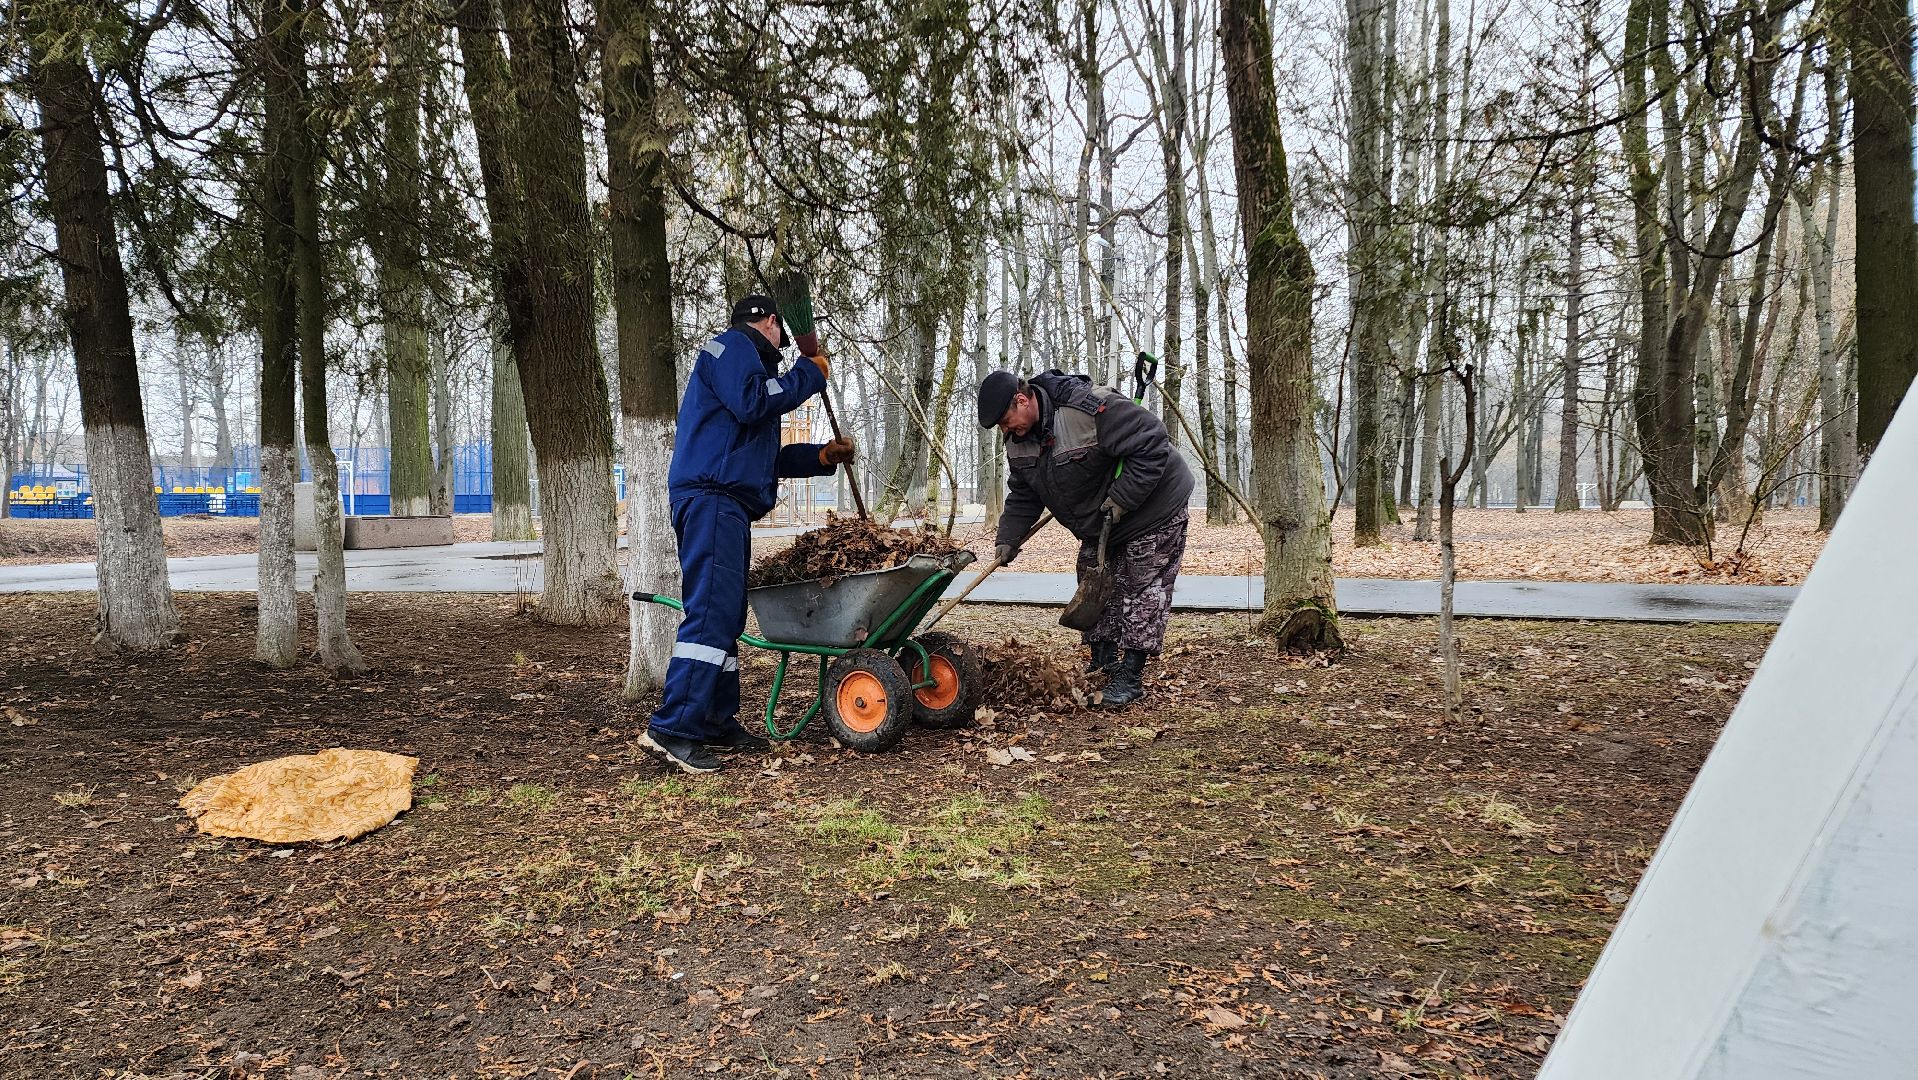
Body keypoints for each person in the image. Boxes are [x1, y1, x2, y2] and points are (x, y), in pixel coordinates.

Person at [641, 295, 855, 774]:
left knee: (725, 613)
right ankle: (673, 728)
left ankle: (717, 720)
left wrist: (821, 458)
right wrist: (810, 374)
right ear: (771, 323)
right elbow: (755, 403)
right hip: (713, 501)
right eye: (781, 329)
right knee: (711, 613)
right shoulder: (734, 347)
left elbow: (763, 459)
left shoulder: (746, 370)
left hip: (724, 501)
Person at [978, 369, 1192, 707]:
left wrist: (1123, 497)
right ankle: (1103, 662)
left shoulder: (1087, 410)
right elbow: (1024, 494)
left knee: (1142, 589)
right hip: (1102, 520)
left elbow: (1152, 440)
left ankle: (1130, 677)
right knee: (1092, 578)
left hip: (1155, 507)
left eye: (1006, 421)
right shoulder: (1018, 442)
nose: (1006, 430)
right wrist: (1008, 537)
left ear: (1022, 400)